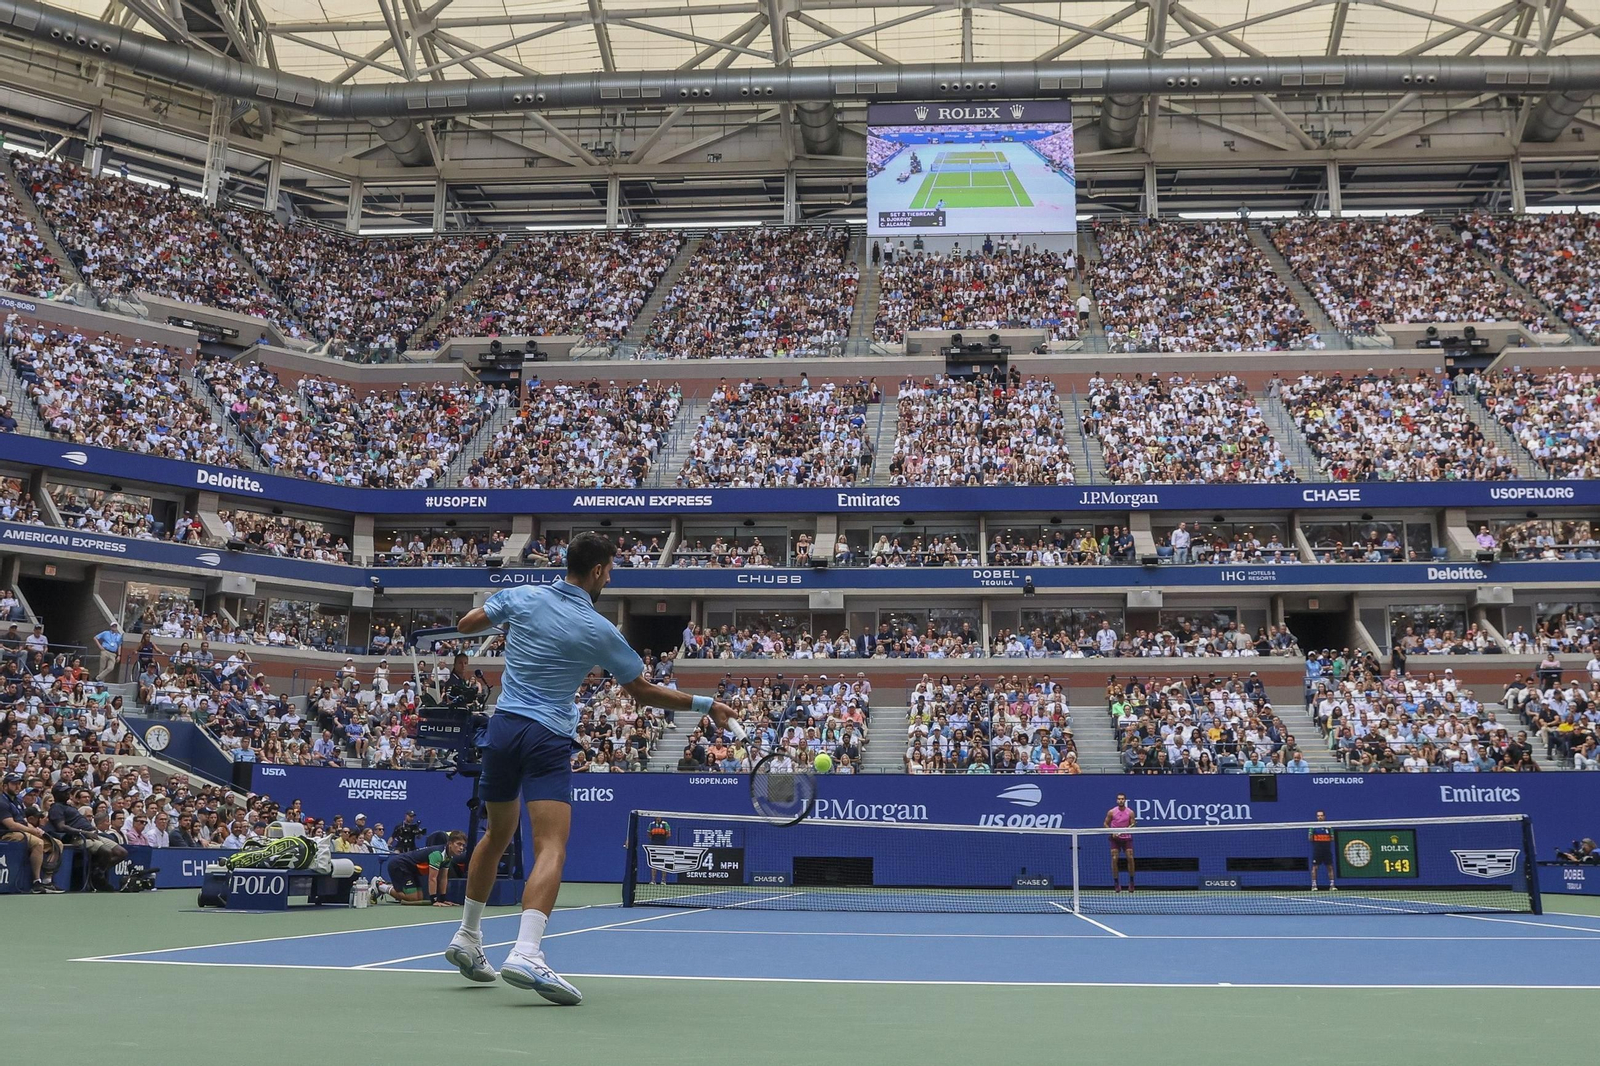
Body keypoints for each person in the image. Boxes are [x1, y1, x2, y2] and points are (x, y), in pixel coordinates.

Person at [443, 531, 741, 1004]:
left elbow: (467, 624)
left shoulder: (524, 596)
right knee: (551, 846)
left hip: (500, 730)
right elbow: (643, 691)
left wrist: (511, 614)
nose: (611, 576)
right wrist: (707, 703)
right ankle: (526, 951)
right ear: (599, 571)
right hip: (545, 737)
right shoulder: (601, 630)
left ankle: (467, 935)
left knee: (496, 835)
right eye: (612, 569)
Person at [0, 772, 62, 892]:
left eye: (19, 784)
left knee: (57, 844)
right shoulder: (2, 802)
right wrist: (32, 830)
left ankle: (47, 881)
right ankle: (36, 882)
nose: (18, 786)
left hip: (21, 832)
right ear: (5, 786)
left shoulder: (17, 802)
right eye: (14, 784)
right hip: (6, 834)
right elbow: (11, 825)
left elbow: (23, 822)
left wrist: (36, 830)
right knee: (38, 843)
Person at [381, 830, 467, 904]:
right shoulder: (437, 854)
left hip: (412, 869)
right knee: (412, 898)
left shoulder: (448, 857)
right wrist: (434, 901)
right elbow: (432, 878)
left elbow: (443, 878)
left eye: (463, 845)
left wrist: (443, 900)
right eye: (458, 844)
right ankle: (381, 886)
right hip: (399, 865)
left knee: (420, 896)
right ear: (450, 843)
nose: (461, 848)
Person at [1103, 792, 1136, 894]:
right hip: (1115, 839)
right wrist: (1112, 832)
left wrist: (1129, 828)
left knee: (1130, 858)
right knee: (1114, 859)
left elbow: (1133, 824)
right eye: (1119, 799)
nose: (1121, 800)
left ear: (1125, 800)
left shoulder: (1130, 812)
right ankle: (1116, 883)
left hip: (1126, 838)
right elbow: (1105, 823)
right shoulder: (1111, 812)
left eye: (1122, 799)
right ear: (1117, 800)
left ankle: (1131, 882)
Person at [1309, 810, 1337, 891]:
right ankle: (1314, 885)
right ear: (1316, 817)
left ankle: (1332, 885)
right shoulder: (1313, 827)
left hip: (1327, 850)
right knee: (1315, 867)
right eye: (1318, 816)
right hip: (1317, 850)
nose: (1320, 817)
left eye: (1321, 815)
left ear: (1324, 816)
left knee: (1330, 867)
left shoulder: (1329, 827)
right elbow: (1310, 838)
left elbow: (1332, 838)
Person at [646, 814, 672, 885]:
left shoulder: (665, 824)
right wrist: (654, 840)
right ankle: (653, 880)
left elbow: (669, 834)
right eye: (657, 816)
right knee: (654, 863)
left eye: (659, 817)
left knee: (663, 863)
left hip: (663, 845)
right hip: (653, 846)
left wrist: (662, 840)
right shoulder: (651, 824)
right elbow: (648, 833)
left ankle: (663, 880)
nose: (658, 818)